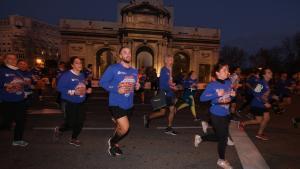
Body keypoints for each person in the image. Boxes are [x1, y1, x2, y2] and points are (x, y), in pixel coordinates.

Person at [99, 47, 140, 156]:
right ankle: (112, 141)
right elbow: (102, 82)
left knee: (120, 127)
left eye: (129, 52)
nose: (128, 54)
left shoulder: (134, 70)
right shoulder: (113, 68)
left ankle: (114, 145)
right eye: (125, 53)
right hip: (116, 103)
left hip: (129, 104)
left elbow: (135, 85)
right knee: (125, 128)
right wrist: (116, 89)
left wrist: (137, 86)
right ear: (120, 56)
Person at [194, 63, 234, 169]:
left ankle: (201, 138)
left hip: (226, 113)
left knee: (221, 137)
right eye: (224, 70)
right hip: (216, 114)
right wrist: (217, 94)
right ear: (217, 73)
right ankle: (221, 160)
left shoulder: (229, 82)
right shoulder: (212, 85)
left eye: (228, 69)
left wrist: (232, 96)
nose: (227, 72)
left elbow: (229, 96)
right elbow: (202, 98)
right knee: (223, 138)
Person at [53, 56, 92, 147]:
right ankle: (59, 129)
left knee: (80, 122)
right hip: (69, 102)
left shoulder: (82, 75)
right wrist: (74, 92)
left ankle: (74, 138)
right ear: (72, 65)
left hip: (81, 102)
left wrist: (87, 91)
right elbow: (59, 88)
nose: (80, 64)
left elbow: (81, 86)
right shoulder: (67, 75)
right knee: (70, 123)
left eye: (80, 63)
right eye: (77, 63)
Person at [143, 55, 178, 135]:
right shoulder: (164, 70)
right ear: (166, 61)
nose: (171, 61)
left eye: (172, 59)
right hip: (165, 94)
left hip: (170, 93)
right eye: (169, 59)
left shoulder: (169, 70)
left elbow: (169, 82)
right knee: (164, 112)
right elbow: (163, 85)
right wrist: (173, 88)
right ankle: (148, 117)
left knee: (169, 111)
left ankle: (168, 127)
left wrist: (173, 86)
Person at [0, 53, 28, 147]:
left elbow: (21, 84)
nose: (13, 60)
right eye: (10, 58)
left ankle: (17, 140)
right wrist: (5, 85)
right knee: (6, 122)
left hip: (20, 100)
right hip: (7, 100)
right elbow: (3, 84)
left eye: (15, 59)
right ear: (5, 60)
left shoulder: (18, 71)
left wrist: (23, 91)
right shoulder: (2, 70)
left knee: (21, 120)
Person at [238, 68, 273, 141]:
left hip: (262, 104)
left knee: (266, 118)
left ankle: (259, 133)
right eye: (269, 72)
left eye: (271, 72)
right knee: (259, 120)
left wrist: (272, 97)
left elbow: (264, 94)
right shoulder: (262, 82)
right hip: (257, 104)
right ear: (264, 75)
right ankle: (243, 123)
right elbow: (256, 93)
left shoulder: (266, 83)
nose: (271, 73)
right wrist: (265, 102)